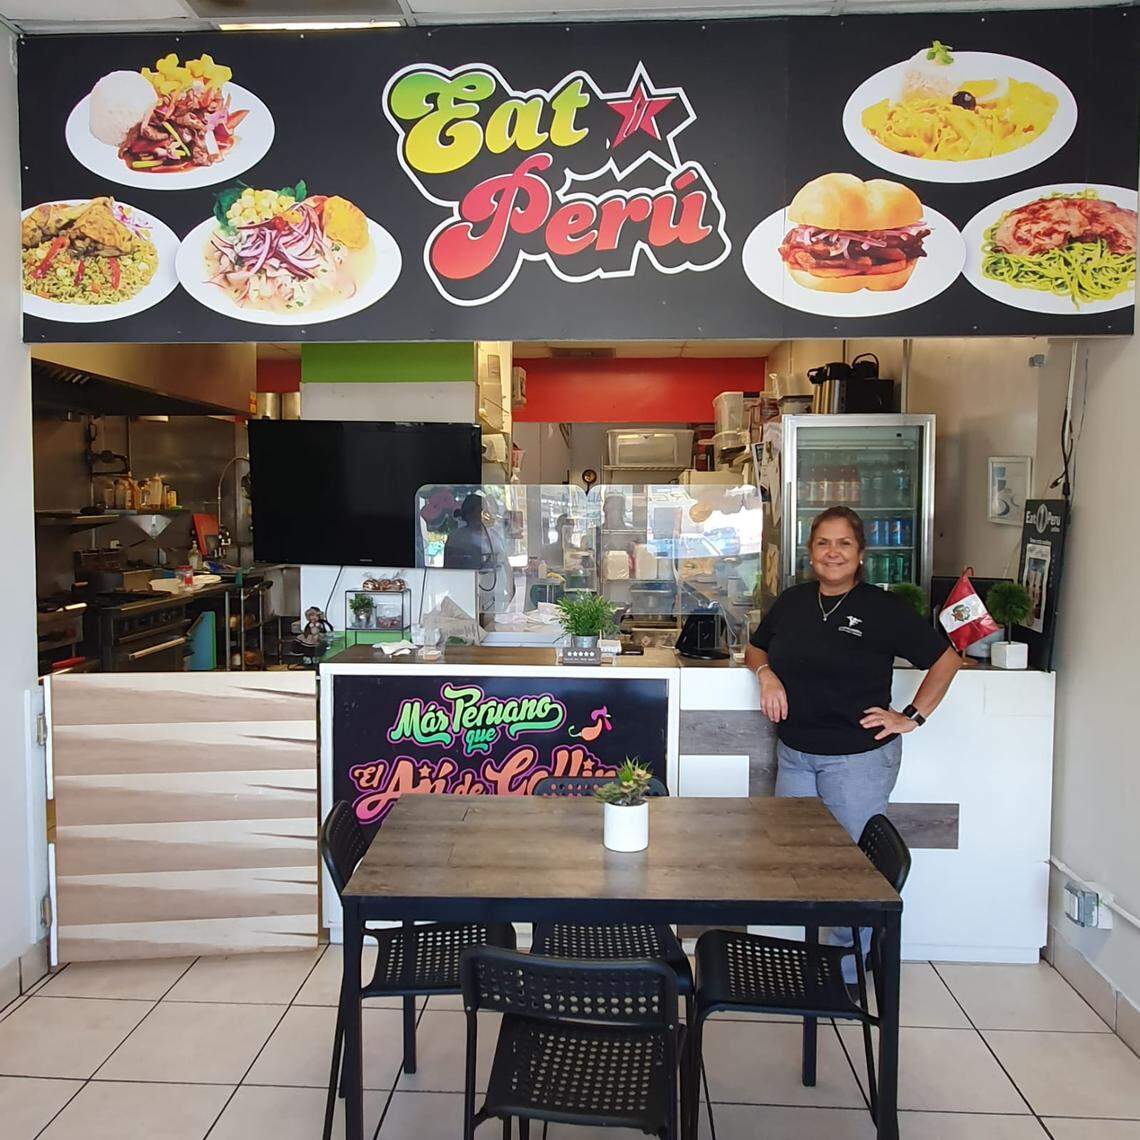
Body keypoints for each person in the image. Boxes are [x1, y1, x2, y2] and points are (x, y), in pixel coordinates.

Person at [744, 505, 961, 980]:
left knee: (852, 869)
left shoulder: (882, 608)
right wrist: (766, 675)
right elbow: (756, 646)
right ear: (811, 552)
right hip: (795, 754)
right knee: (799, 862)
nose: (833, 552)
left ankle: (849, 973)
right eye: (823, 543)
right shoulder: (794, 601)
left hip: (857, 760)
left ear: (860, 554)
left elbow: (946, 659)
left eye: (843, 543)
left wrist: (912, 716)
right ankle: (813, 961)